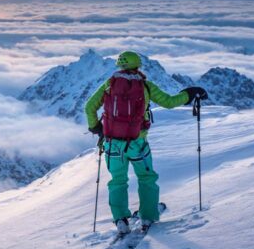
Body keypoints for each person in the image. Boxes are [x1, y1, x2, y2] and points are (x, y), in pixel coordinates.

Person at [84, 51, 207, 234]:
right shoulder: (145, 86)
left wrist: (98, 129)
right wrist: (189, 94)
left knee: (118, 180)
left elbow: (89, 107)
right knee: (146, 178)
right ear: (138, 65)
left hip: (112, 144)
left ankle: (120, 219)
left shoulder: (109, 85)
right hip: (138, 143)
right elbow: (170, 102)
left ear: (120, 66)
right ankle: (147, 215)